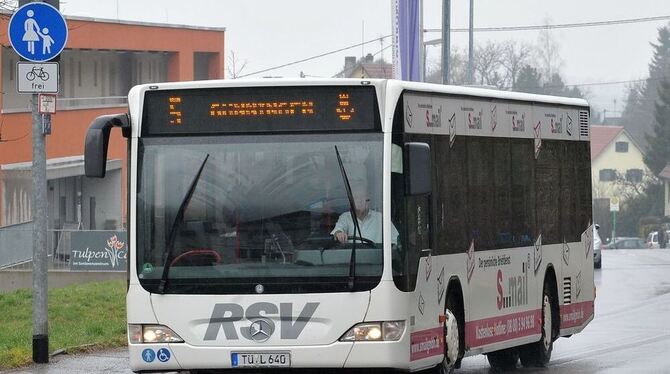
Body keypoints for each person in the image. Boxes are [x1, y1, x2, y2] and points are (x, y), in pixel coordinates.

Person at [331, 189, 398, 245]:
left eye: (363, 197)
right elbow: (338, 230)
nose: (360, 201)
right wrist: (339, 234)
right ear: (352, 201)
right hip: (352, 259)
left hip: (377, 259)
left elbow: (395, 240)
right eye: (357, 198)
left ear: (368, 200)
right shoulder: (345, 217)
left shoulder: (381, 218)